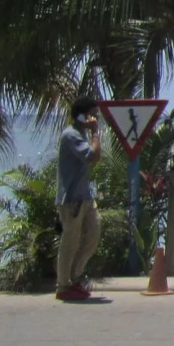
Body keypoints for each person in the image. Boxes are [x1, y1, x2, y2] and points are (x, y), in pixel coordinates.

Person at [55, 97, 103, 301]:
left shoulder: (81, 134)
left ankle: (73, 278)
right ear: (83, 114)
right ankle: (63, 285)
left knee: (93, 234)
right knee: (70, 243)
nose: (95, 117)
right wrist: (95, 132)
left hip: (84, 196)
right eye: (92, 113)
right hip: (71, 199)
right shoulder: (71, 135)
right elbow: (93, 156)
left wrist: (91, 132)